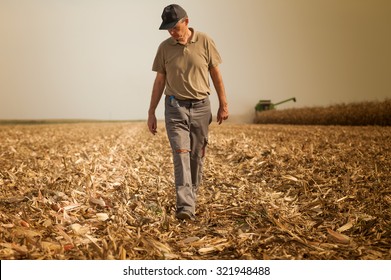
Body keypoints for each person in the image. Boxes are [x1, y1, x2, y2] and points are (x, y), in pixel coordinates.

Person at [147, 4, 229, 221]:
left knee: (195, 156)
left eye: (174, 27)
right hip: (175, 108)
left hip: (202, 107)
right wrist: (151, 112)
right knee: (181, 153)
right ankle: (185, 207)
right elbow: (159, 81)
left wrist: (223, 103)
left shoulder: (205, 41)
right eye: (168, 28)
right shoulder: (164, 48)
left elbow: (216, 74)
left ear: (186, 22)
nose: (171, 32)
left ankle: (190, 198)